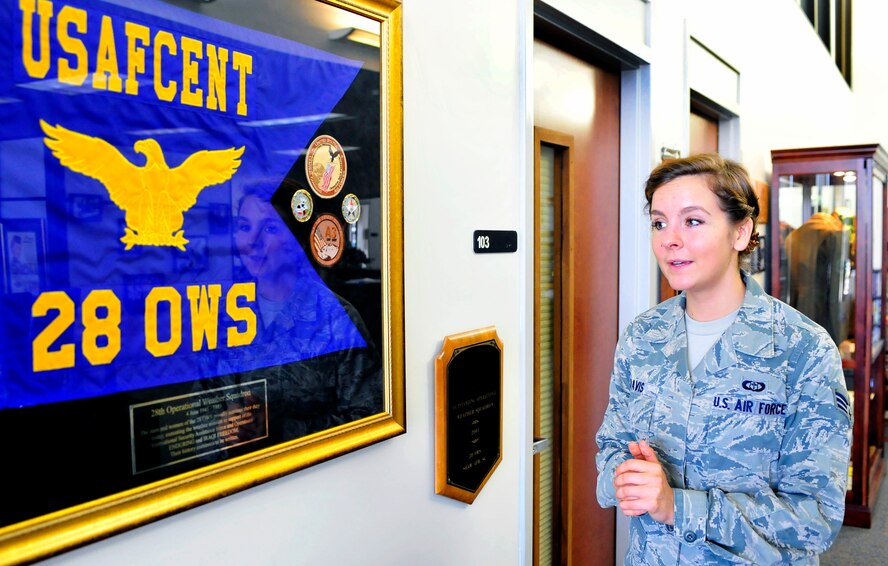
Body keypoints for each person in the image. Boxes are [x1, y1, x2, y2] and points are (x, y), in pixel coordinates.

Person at [595, 154, 852, 564]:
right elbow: (610, 446)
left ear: (741, 232)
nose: (669, 239)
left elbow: (815, 518)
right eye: (659, 222)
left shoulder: (802, 350)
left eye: (692, 221)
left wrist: (676, 506)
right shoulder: (643, 337)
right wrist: (623, 478)